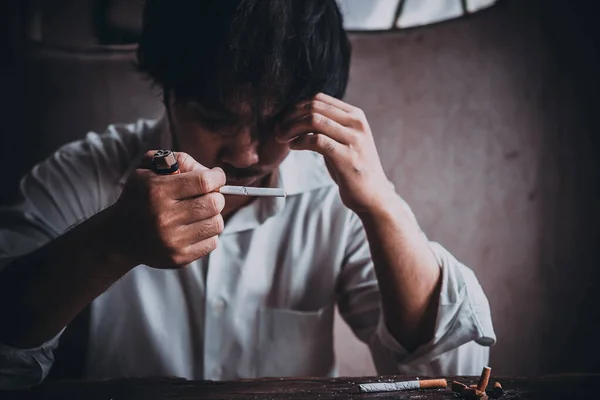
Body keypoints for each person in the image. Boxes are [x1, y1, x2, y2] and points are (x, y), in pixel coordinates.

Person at [0, 0, 495, 390]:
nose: (245, 152)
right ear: (167, 91)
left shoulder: (334, 197)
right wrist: (110, 244)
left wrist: (382, 204)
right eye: (216, 120)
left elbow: (451, 370)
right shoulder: (85, 175)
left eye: (274, 124)